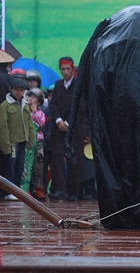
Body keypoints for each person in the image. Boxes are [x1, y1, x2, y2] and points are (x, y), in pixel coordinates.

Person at [49, 56, 88, 202]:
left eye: (67, 69)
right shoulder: (58, 85)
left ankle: (74, 192)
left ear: (72, 68)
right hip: (58, 129)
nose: (65, 72)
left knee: (75, 160)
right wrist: (59, 121)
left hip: (76, 128)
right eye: (62, 69)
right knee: (58, 158)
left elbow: (81, 106)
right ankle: (59, 189)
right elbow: (54, 106)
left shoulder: (80, 85)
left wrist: (69, 123)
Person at [0, 74, 36, 200]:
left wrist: (31, 139)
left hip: (22, 141)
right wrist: (5, 144)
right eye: (16, 89)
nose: (19, 92)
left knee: (20, 166)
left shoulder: (25, 104)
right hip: (12, 142)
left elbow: (30, 123)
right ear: (10, 89)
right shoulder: (5, 106)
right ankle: (9, 192)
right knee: (10, 166)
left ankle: (17, 191)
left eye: (21, 90)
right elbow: (3, 127)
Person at [27, 88, 46, 200]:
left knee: (39, 167)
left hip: (38, 142)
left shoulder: (40, 113)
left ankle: (39, 189)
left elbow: (40, 124)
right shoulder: (24, 110)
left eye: (34, 97)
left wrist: (34, 111)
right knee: (27, 167)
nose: (31, 99)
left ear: (38, 102)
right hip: (27, 143)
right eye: (30, 96)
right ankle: (26, 189)